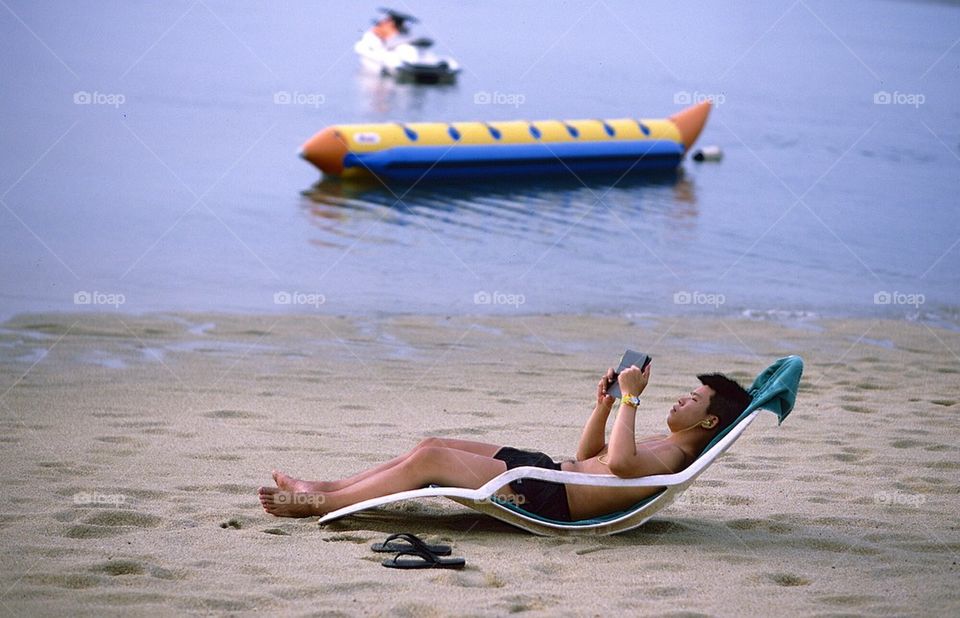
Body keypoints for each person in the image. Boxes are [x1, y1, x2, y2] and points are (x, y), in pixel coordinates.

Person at [258, 364, 752, 522]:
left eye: (693, 398)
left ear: (708, 422)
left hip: (545, 494)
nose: (681, 401)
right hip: (546, 470)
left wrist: (630, 400)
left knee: (431, 460)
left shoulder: (675, 452)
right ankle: (325, 485)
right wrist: (606, 405)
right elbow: (588, 458)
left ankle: (315, 501)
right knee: (432, 443)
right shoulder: (668, 444)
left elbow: (619, 466)